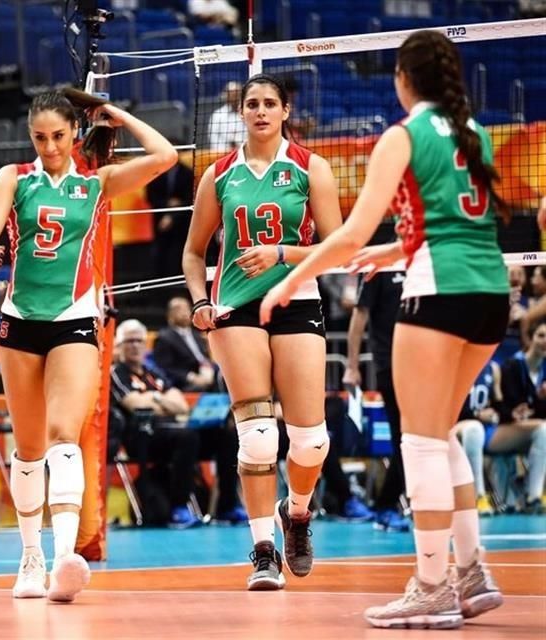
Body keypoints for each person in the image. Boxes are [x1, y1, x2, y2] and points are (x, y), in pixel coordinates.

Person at [260, 31, 507, 628]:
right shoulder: (475, 134)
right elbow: (459, 224)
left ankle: (431, 585)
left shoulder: (403, 135)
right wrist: (396, 249)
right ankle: (471, 572)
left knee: (421, 441)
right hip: (490, 294)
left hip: (439, 294)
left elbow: (346, 235)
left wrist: (289, 281)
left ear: (403, 78)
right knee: (442, 434)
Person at [0, 89, 177, 603]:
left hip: (75, 318)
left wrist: (115, 116)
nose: (49, 146)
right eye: (39, 137)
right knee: (29, 448)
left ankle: (64, 558)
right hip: (19, 321)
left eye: (58, 136)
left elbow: (166, 156)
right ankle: (30, 558)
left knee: (67, 435)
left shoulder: (96, 183)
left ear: (75, 133)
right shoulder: (13, 179)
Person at [183, 73, 343, 591]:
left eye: (269, 103)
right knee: (256, 435)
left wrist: (281, 254)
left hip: (297, 302)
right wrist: (201, 300)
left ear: (285, 111)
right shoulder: (219, 174)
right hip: (235, 308)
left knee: (311, 442)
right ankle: (262, 551)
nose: (259, 111)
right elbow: (192, 251)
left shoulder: (309, 168)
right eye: (251, 103)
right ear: (242, 111)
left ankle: (295, 514)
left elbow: (338, 246)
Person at [110, 319, 203, 529]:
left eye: (139, 341)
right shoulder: (117, 373)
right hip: (139, 437)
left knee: (221, 435)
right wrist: (161, 399)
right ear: (119, 346)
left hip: (169, 431)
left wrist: (154, 399)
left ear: (145, 345)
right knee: (187, 437)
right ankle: (179, 508)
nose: (134, 345)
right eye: (129, 341)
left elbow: (181, 406)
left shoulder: (154, 373)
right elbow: (136, 405)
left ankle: (226, 507)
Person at [343, 266, 412, 533]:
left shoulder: (422, 257)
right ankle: (386, 506)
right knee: (404, 438)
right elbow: (360, 315)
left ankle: (392, 503)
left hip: (423, 363)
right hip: (390, 363)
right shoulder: (379, 266)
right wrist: (351, 365)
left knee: (418, 437)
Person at [497, 318, 546, 513]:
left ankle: (533, 494)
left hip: (531, 430)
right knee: (544, 430)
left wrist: (542, 400)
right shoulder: (512, 366)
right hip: (506, 428)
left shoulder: (544, 370)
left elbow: (539, 410)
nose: (545, 341)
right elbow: (507, 409)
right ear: (530, 339)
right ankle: (533, 495)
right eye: (541, 336)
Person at [453, 358, 501, 516]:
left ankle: (534, 497)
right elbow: (450, 408)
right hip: (455, 426)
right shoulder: (454, 364)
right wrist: (477, 414)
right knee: (474, 428)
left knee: (542, 430)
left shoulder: (493, 368)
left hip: (487, 429)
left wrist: (499, 413)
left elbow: (499, 404)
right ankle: (477, 496)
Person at [146, 147, 195, 278]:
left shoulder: (187, 173)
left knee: (180, 253)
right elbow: (150, 197)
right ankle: (159, 283)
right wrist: (167, 204)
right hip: (159, 220)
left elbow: (190, 199)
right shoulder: (155, 172)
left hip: (182, 223)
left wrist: (172, 217)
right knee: (159, 254)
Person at [152, 296, 217, 392]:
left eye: (187, 308)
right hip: (184, 382)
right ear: (170, 314)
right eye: (178, 309)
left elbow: (205, 358)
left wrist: (210, 369)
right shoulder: (164, 338)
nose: (184, 312)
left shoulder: (197, 335)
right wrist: (191, 377)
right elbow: (165, 368)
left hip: (208, 373)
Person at [207, 81, 244, 151]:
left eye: (237, 94)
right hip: (222, 154)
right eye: (232, 94)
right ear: (226, 96)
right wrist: (226, 151)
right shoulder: (217, 115)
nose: (235, 97)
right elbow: (213, 138)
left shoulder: (248, 113)